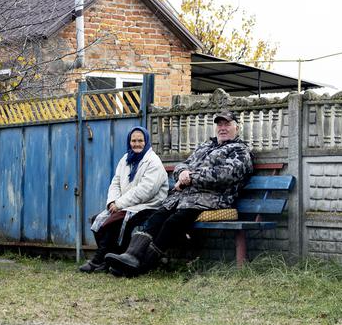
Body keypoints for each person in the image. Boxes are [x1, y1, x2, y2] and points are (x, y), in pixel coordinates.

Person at [105, 111, 253, 277]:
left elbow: (226, 174)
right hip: (184, 198)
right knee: (156, 217)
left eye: (227, 124)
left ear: (237, 127)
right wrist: (182, 173)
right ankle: (131, 256)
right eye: (220, 124)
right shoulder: (206, 146)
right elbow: (181, 165)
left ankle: (142, 266)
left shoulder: (240, 151)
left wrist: (191, 177)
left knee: (172, 223)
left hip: (212, 200)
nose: (222, 128)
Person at [78, 126, 168, 273]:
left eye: (140, 140)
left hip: (148, 206)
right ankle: (111, 261)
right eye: (134, 141)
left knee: (115, 222)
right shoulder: (126, 159)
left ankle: (98, 261)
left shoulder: (153, 162)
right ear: (129, 142)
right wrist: (112, 202)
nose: (137, 144)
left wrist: (119, 204)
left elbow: (145, 191)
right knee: (98, 220)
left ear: (146, 142)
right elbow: (116, 182)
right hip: (127, 205)